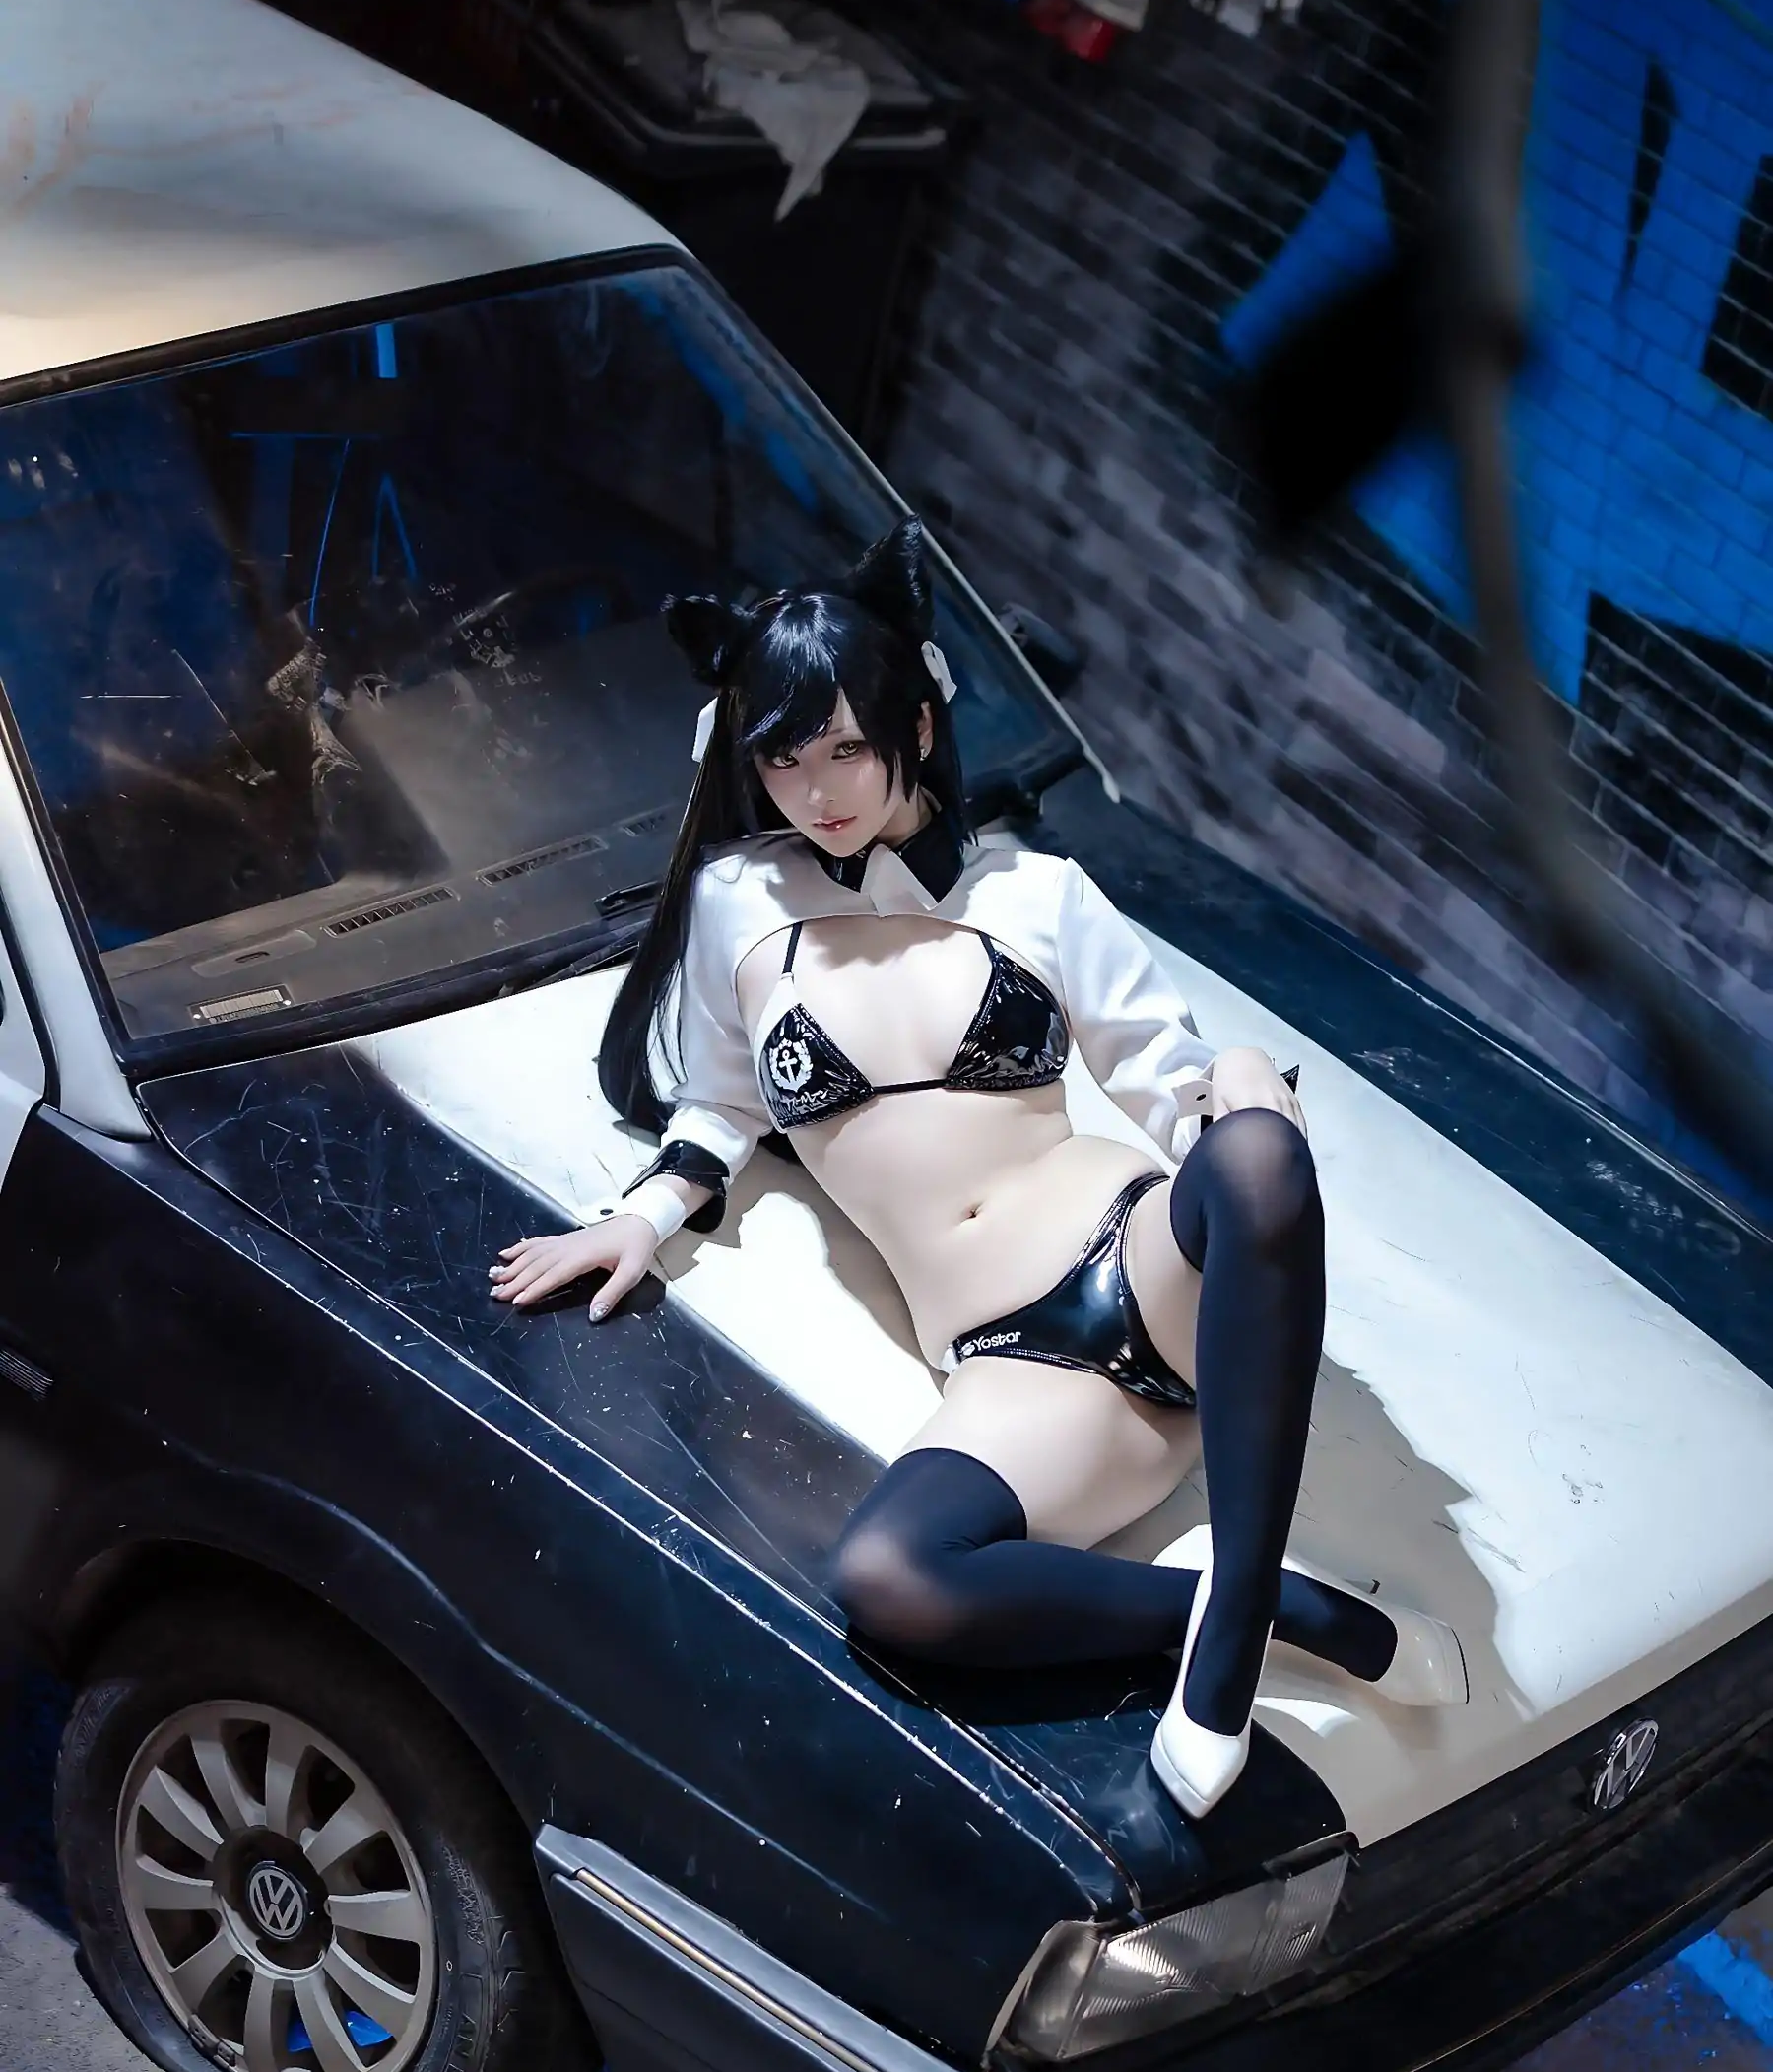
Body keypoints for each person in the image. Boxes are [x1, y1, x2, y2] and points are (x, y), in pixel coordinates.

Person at [491, 520, 1467, 1816]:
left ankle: (1230, 1637)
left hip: (1138, 1261)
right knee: (895, 1581)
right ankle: (1275, 1608)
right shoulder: (739, 904)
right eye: (785, 760)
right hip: (1014, 1371)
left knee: (1254, 1146)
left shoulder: (1036, 895)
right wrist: (646, 1214)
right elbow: (722, 1101)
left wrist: (1235, 1097)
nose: (818, 792)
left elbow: (1168, 1081)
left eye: (847, 749)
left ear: (918, 725)